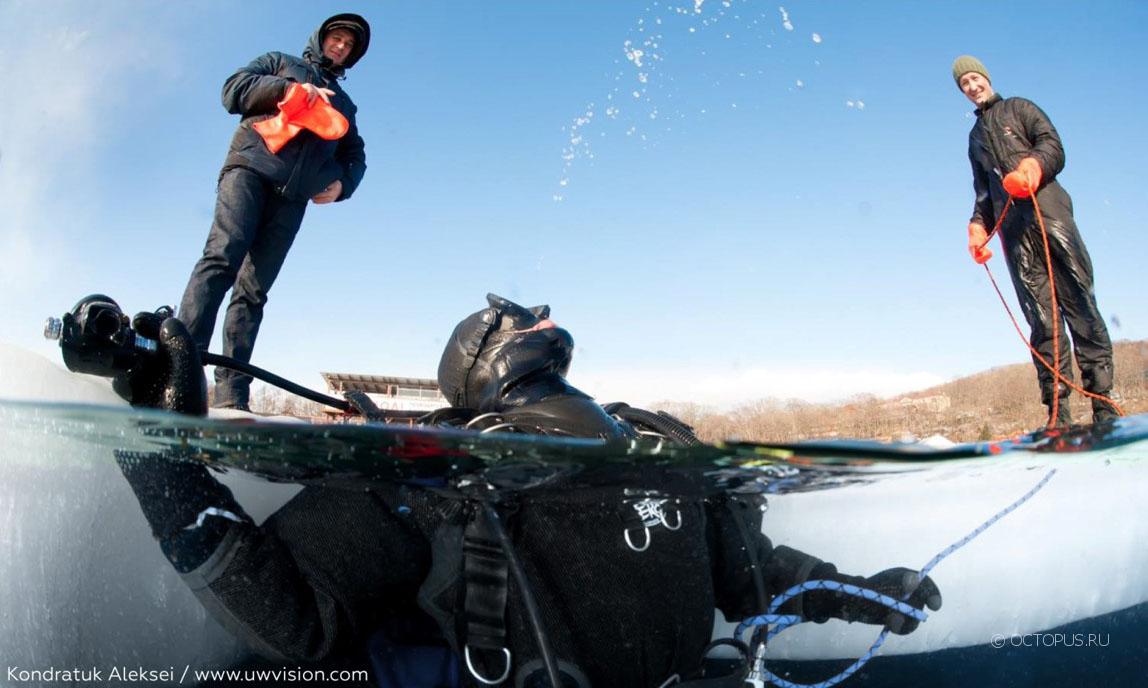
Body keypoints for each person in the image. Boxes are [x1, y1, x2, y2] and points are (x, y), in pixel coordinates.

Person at [111, 296, 942, 687]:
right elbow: (299, 624)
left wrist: (861, 593)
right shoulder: (452, 467)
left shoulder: (652, 442)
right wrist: (153, 450)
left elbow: (744, 574)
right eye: (510, 311)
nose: (533, 306)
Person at [177, 14, 370, 412]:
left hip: (292, 199)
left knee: (254, 291)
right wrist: (289, 90)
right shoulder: (279, 62)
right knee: (221, 259)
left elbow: (356, 156)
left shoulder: (345, 104)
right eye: (336, 39)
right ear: (321, 39)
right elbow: (233, 91)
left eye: (348, 46)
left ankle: (232, 396)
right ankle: (181, 365)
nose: (340, 48)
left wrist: (343, 186)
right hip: (249, 170)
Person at [952, 55, 1118, 428]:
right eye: (964, 84)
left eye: (975, 78)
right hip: (1014, 233)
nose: (972, 86)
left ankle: (1104, 402)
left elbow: (1053, 146)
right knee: (1041, 320)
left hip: (1050, 212)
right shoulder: (975, 138)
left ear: (987, 78)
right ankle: (1057, 410)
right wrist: (978, 228)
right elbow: (985, 194)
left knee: (1079, 301)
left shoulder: (1020, 108)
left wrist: (1032, 167)